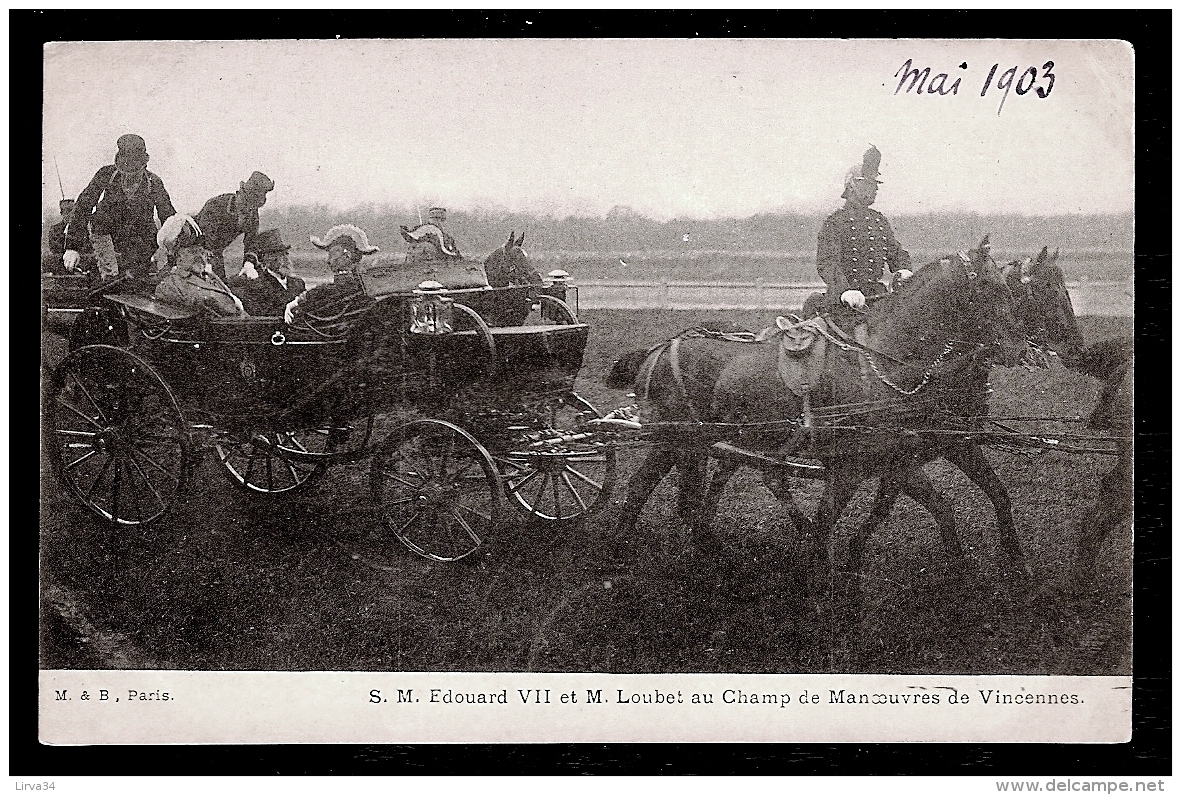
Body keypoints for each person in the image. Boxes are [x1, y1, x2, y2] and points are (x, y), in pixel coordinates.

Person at [65, 134, 176, 285]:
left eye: (135, 172)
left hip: (139, 240)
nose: (130, 177)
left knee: (136, 282)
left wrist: (173, 252)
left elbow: (169, 219)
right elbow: (83, 207)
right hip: (104, 234)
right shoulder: (106, 174)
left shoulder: (154, 183)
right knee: (111, 282)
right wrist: (72, 247)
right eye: (125, 171)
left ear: (143, 165)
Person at [815, 145, 912, 311]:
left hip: (877, 296)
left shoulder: (878, 220)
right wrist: (845, 291)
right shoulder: (835, 222)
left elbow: (896, 252)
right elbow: (827, 262)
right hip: (844, 299)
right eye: (868, 184)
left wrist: (903, 270)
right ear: (852, 186)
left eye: (875, 185)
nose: (875, 189)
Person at [284, 224, 379, 324]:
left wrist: (295, 303)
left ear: (347, 255)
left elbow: (329, 290)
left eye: (333, 254)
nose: (328, 260)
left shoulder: (350, 284)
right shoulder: (362, 281)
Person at [153, 215, 245, 318]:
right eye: (193, 252)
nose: (200, 256)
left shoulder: (209, 276)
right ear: (178, 256)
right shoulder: (170, 286)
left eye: (201, 251)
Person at [193, 171, 276, 281]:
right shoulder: (215, 205)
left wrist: (249, 263)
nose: (247, 210)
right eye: (245, 204)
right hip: (192, 247)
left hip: (216, 253)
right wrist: (207, 264)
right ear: (240, 194)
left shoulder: (252, 214)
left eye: (251, 207)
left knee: (222, 287)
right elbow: (206, 240)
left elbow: (251, 242)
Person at [230, 229, 306, 317]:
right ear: (266, 259)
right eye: (279, 255)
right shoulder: (258, 283)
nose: (285, 259)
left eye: (286, 253)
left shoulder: (298, 283)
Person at [44, 199, 94, 273]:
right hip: (60, 266)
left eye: (73, 211)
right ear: (61, 213)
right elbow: (54, 248)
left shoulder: (82, 230)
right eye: (67, 211)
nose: (71, 215)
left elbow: (87, 248)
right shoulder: (55, 229)